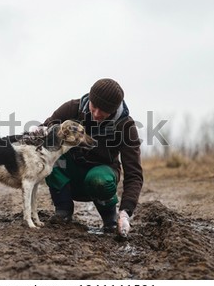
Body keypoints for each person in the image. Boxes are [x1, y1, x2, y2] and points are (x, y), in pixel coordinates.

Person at [40, 78, 143, 236]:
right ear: (90, 98)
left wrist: (125, 212)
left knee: (99, 180)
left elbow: (134, 173)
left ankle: (110, 218)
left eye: (103, 111)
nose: (96, 114)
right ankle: (63, 211)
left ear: (114, 110)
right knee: (50, 159)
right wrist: (39, 130)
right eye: (94, 107)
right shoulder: (72, 109)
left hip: (99, 177)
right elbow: (46, 129)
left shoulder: (125, 126)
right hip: (70, 176)